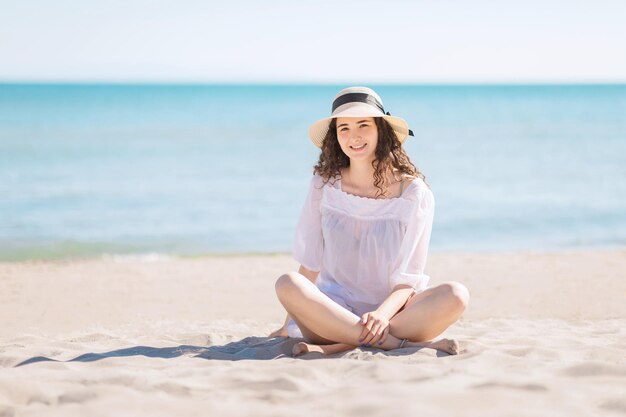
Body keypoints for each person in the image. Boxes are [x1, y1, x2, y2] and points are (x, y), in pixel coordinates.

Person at [270, 86, 470, 357]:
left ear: (380, 130)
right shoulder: (323, 185)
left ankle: (347, 342)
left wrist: (380, 315)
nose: (354, 137)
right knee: (287, 283)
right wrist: (287, 325)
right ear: (335, 137)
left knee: (456, 294)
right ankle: (393, 344)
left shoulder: (414, 193)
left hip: (396, 315)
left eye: (363, 125)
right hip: (330, 314)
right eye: (344, 128)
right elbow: (310, 263)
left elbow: (408, 279)